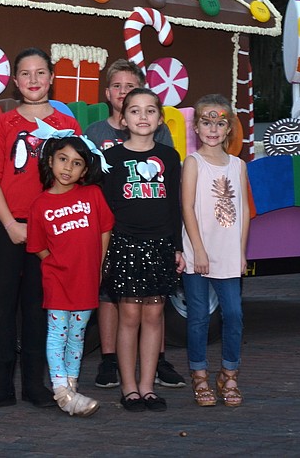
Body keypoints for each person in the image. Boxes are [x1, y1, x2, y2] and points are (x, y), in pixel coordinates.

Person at [0, 48, 82, 412]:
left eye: (40, 73)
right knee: (0, 307)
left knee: (39, 307)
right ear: (16, 81)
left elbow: (76, 180)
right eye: (26, 74)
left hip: (51, 233)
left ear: (51, 78)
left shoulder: (68, 125)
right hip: (10, 229)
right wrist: (11, 224)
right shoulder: (4, 122)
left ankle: (35, 384)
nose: (34, 80)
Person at [85, 59, 184, 390]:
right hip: (125, 245)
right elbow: (104, 209)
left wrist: (178, 247)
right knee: (128, 316)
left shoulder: (169, 158)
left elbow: (175, 205)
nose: (143, 117)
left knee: (154, 315)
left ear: (159, 119)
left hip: (160, 245)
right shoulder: (110, 159)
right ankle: (129, 387)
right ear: (123, 119)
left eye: (150, 111)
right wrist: (104, 251)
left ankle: (148, 387)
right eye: (135, 111)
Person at [26, 133, 114, 416]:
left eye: (76, 163)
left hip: (86, 278)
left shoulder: (93, 195)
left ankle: (71, 387)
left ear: (85, 170)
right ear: (50, 161)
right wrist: (55, 262)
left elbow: (104, 231)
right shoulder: (40, 204)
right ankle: (61, 390)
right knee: (57, 334)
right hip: (57, 279)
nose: (67, 167)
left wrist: (97, 268)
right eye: (63, 159)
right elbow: (37, 245)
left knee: (77, 336)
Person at [181, 94, 249, 408]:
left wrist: (242, 250)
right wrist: (198, 250)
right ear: (196, 126)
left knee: (233, 315)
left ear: (228, 129)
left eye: (220, 123)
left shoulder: (238, 165)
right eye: (207, 122)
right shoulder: (193, 163)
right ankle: (199, 375)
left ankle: (229, 373)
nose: (213, 128)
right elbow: (187, 207)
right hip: (199, 252)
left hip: (229, 252)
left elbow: (245, 210)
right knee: (198, 318)